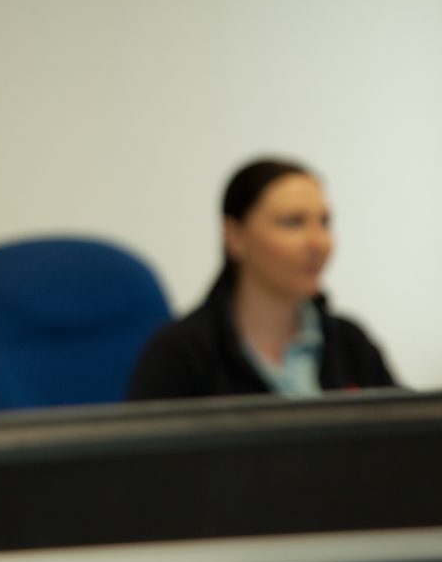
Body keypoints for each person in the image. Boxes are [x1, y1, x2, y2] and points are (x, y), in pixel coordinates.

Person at [129, 158, 397, 401]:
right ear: (234, 236)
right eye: (293, 222)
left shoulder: (350, 343)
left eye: (324, 222)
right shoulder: (180, 355)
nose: (318, 243)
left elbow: (405, 432)